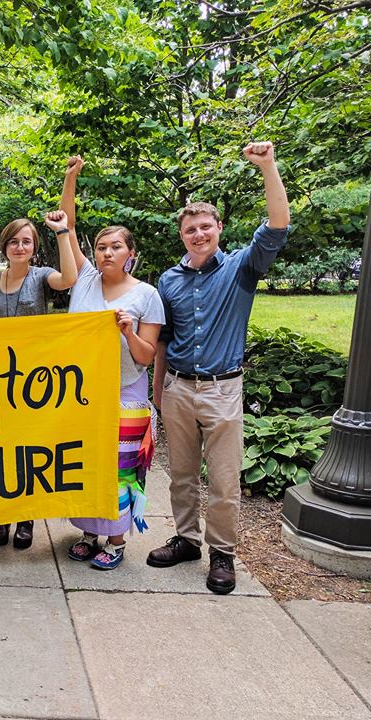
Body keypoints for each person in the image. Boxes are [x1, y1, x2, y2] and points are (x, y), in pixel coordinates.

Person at [150, 141, 290, 594]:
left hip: (222, 388)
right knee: (181, 474)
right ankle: (186, 540)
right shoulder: (169, 280)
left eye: (205, 227)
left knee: (224, 480)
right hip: (177, 387)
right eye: (190, 229)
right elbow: (164, 339)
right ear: (182, 235)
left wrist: (267, 166)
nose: (198, 234)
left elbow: (277, 225)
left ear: (218, 229)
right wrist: (159, 390)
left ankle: (222, 553)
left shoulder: (241, 269)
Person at [58, 158, 164, 570]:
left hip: (125, 392)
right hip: (81, 391)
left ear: (130, 254)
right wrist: (71, 178)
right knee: (85, 460)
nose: (107, 252)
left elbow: (146, 355)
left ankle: (116, 540)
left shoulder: (146, 295)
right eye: (102, 247)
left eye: (116, 246)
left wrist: (127, 332)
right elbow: (67, 224)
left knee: (119, 468)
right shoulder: (84, 278)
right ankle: (89, 532)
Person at [0, 209, 78, 550]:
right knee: (0, 448)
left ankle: (26, 517)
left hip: (32, 379)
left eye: (26, 241)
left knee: (28, 448)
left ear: (34, 247)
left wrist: (62, 232)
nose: (20, 247)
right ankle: (2, 515)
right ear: (4, 246)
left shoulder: (42, 276)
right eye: (14, 241)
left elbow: (69, 279)